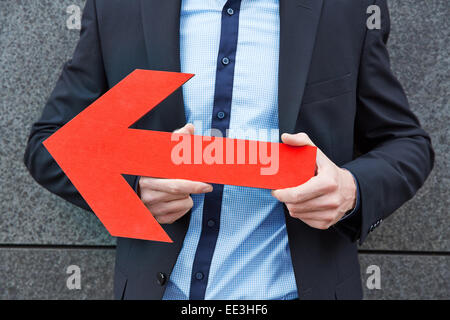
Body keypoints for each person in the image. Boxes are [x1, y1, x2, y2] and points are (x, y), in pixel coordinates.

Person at [24, 0, 434, 300]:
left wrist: (351, 190)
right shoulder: (120, 8)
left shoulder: (346, 10)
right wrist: (131, 188)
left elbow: (406, 143)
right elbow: (49, 144)